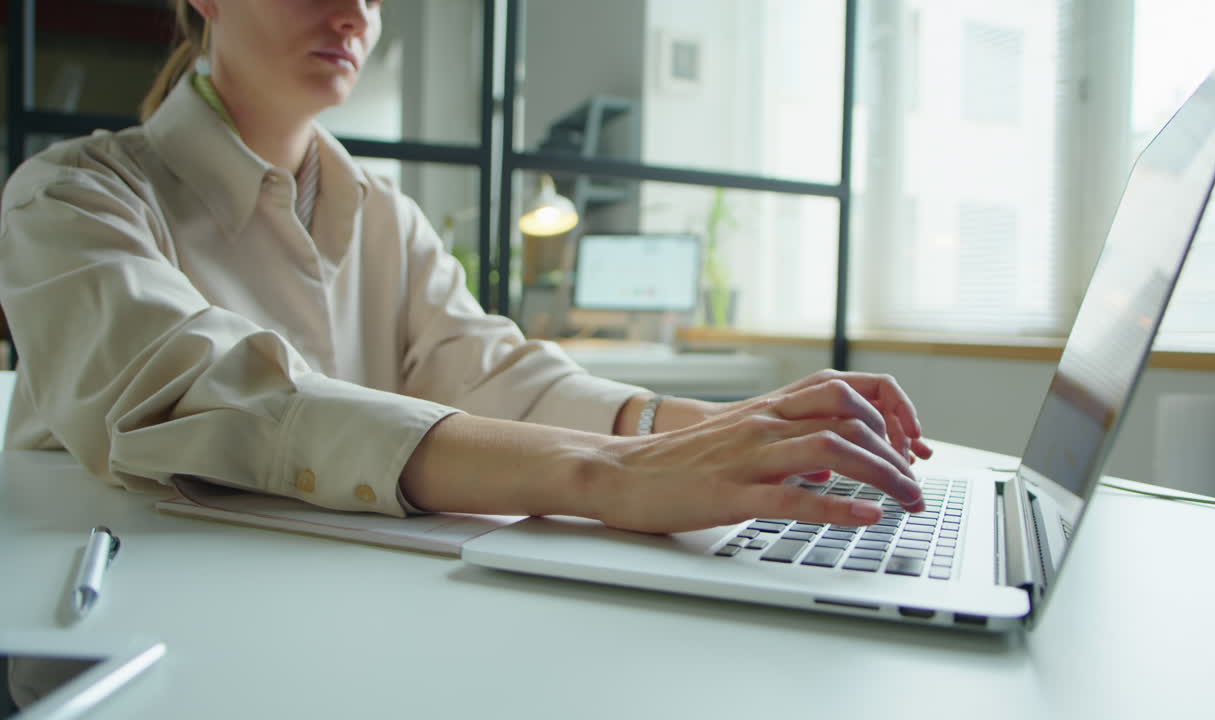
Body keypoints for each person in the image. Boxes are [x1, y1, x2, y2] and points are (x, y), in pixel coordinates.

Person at [0, 0, 932, 539]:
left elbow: (494, 373)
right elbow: (217, 395)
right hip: (138, 653)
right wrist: (610, 472)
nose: (356, 9)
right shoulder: (70, 199)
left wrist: (724, 427)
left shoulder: (383, 215)